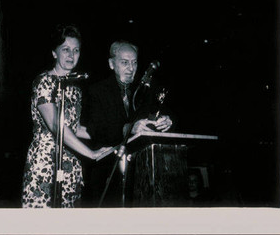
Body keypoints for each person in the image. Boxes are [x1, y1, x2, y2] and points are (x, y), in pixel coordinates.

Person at [22, 24, 110, 208]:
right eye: (65, 49)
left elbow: (75, 128)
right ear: (54, 53)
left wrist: (114, 136)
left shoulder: (75, 88)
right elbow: (56, 125)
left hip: (70, 167)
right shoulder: (44, 81)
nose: (71, 55)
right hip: (46, 166)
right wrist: (91, 153)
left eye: (76, 50)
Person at [82, 40, 173, 207]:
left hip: (142, 173)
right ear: (111, 63)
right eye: (124, 63)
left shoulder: (146, 89)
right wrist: (128, 129)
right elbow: (97, 129)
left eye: (134, 62)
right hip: (109, 173)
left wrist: (167, 120)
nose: (131, 69)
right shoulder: (96, 91)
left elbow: (163, 111)